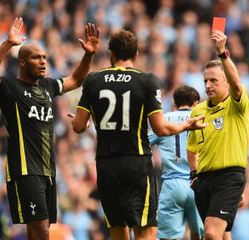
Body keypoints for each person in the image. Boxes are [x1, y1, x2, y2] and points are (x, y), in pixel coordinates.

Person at [71, 29, 206, 240]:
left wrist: (89, 121)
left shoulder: (93, 80)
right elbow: (161, 128)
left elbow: (78, 126)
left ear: (111, 54)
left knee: (117, 229)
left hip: (106, 165)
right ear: (136, 55)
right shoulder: (146, 80)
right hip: (136, 164)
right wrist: (185, 126)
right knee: (145, 231)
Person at [0, 17, 100, 240]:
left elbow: (75, 79)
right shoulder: (10, 88)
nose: (43, 61)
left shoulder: (48, 86)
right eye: (36, 57)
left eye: (44, 57)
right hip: (25, 170)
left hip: (47, 170)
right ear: (23, 63)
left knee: (35, 232)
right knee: (42, 230)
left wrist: (89, 54)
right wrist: (8, 44)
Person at [187, 30, 249, 240]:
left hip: (229, 177)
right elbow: (192, 148)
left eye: (213, 80)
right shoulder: (198, 111)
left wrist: (223, 53)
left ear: (225, 82)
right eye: (205, 81)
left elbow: (237, 85)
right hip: (204, 181)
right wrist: (194, 175)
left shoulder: (236, 105)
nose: (207, 85)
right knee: (222, 235)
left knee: (212, 234)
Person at [148, 85, 204, 240]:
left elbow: (143, 144)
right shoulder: (202, 120)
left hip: (171, 184)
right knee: (200, 234)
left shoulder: (163, 120)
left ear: (174, 102)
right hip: (198, 183)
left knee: (168, 237)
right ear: (196, 103)